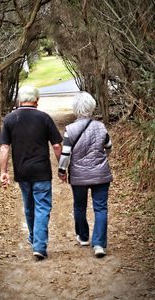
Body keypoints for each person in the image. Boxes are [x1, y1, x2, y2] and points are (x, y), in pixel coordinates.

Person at [0, 85, 62, 260]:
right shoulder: (44, 118)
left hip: (22, 172)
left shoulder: (10, 119)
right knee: (42, 207)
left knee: (29, 207)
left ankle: (35, 240)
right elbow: (57, 146)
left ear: (19, 100)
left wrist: (3, 172)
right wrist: (63, 168)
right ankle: (39, 246)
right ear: (36, 100)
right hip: (42, 171)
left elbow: (4, 147)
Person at [58, 91, 113, 258]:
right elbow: (108, 146)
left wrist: (62, 171)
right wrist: (101, 158)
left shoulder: (70, 130)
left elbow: (66, 154)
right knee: (101, 208)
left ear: (76, 108)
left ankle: (83, 237)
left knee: (79, 206)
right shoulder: (101, 127)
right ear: (92, 107)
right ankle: (99, 244)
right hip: (101, 174)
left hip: (79, 176)